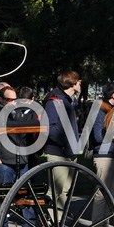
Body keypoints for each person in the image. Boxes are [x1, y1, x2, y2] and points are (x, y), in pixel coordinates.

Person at [43, 70, 82, 215]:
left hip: (69, 152)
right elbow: (50, 129)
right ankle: (50, 226)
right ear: (71, 83)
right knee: (55, 191)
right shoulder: (55, 101)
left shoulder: (69, 101)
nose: (80, 83)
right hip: (58, 152)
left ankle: (58, 224)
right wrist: (66, 144)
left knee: (65, 191)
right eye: (78, 80)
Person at [90, 82, 114, 227]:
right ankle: (96, 225)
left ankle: (105, 223)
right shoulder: (100, 111)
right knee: (101, 192)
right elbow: (98, 136)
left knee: (111, 192)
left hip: (113, 155)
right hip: (103, 154)